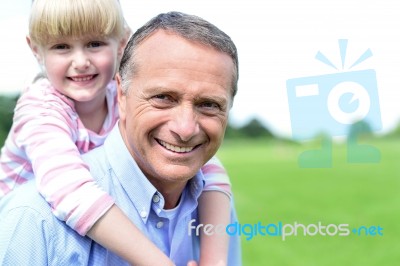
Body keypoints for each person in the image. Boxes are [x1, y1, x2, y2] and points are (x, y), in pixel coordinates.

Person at [0, 1, 233, 265]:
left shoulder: (118, 94)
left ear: (122, 42)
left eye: (95, 44)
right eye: (61, 47)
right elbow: (69, 190)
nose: (81, 62)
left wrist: (214, 261)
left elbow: (208, 165)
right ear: (35, 50)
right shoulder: (40, 108)